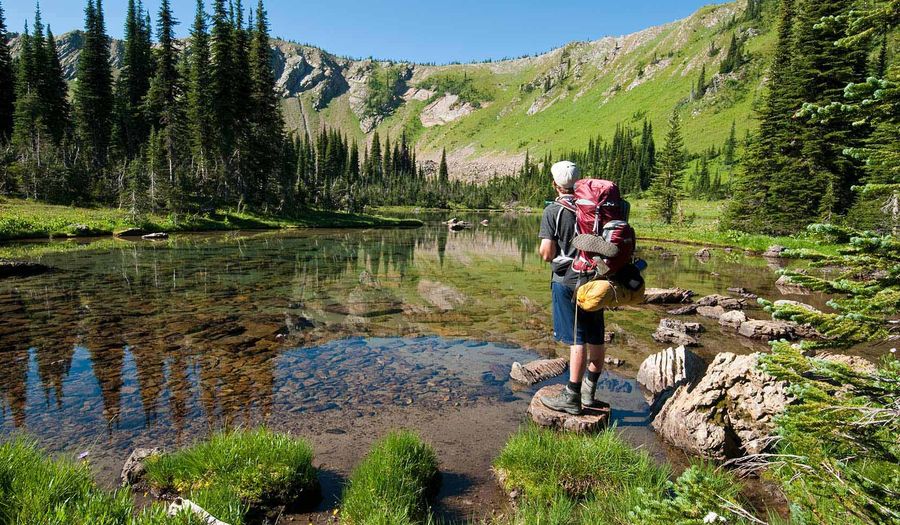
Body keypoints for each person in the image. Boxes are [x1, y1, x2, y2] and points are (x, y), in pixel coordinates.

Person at [537, 161, 606, 415]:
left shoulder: (553, 211)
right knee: (595, 335)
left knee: (577, 341)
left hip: (567, 281)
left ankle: (572, 396)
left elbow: (547, 253)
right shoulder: (594, 209)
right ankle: (589, 391)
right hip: (596, 282)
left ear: (555, 185)